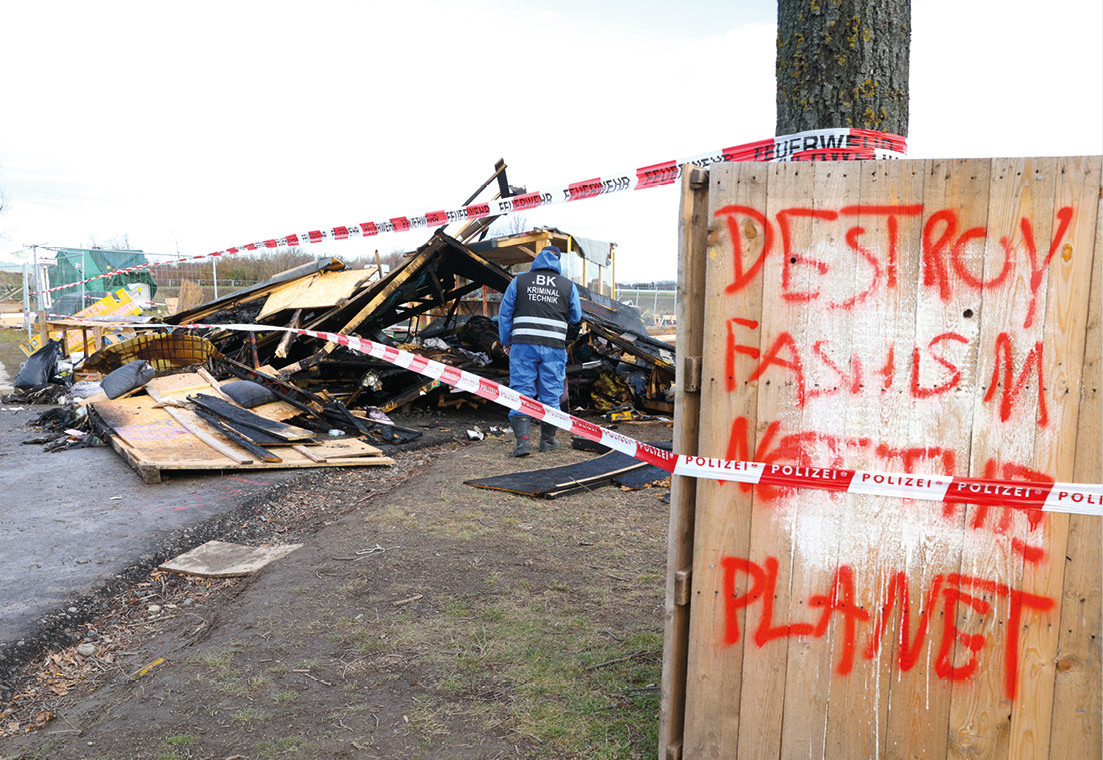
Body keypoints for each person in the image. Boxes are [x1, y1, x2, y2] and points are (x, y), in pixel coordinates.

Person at [498, 245, 582, 456]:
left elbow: (505, 314)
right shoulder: (567, 286)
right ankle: (547, 441)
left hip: (523, 345)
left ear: (537, 260)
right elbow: (576, 317)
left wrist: (506, 341)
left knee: (521, 389)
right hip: (554, 347)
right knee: (551, 392)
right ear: (558, 261)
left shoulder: (519, 281)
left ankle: (523, 443)